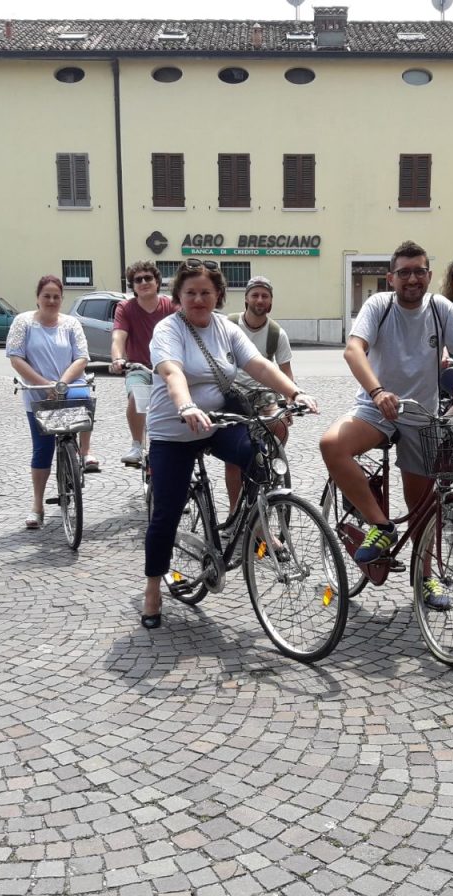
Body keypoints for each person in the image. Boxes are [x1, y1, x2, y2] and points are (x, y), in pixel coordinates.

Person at [319, 240, 453, 612]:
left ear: (430, 276)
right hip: (377, 407)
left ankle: (426, 575)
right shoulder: (378, 306)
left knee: (422, 506)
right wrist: (377, 390)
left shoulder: (440, 308)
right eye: (404, 272)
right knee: (331, 444)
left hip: (422, 415)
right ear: (391, 278)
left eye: (419, 271)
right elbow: (354, 350)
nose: (412, 278)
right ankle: (381, 526)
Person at [141, 259, 318, 629]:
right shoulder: (168, 329)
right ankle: (153, 588)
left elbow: (258, 366)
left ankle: (252, 527)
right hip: (174, 429)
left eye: (206, 292)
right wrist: (185, 404)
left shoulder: (225, 328)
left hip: (216, 422)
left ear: (219, 295)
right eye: (190, 293)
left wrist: (294, 392)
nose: (198, 299)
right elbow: (172, 371)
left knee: (258, 455)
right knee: (167, 513)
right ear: (178, 296)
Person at [6, 275, 92, 528]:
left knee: (86, 405)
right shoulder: (23, 322)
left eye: (56, 296)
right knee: (42, 450)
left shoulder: (71, 324)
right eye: (47, 296)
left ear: (62, 299)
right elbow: (16, 358)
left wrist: (61, 383)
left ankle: (84, 455)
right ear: (38, 298)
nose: (52, 300)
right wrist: (45, 385)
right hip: (37, 393)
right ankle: (37, 505)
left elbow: (82, 358)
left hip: (69, 389)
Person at [223, 275, 295, 507]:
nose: (260, 300)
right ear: (246, 298)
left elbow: (285, 370)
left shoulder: (276, 333)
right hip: (233, 391)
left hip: (263, 392)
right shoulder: (229, 325)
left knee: (280, 424)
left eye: (265, 296)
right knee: (232, 458)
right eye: (255, 295)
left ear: (271, 301)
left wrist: (290, 399)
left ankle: (268, 467)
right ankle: (235, 511)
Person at [110, 260, 174, 467]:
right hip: (140, 366)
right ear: (132, 285)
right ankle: (137, 445)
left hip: (168, 366)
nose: (144, 282)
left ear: (157, 282)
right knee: (137, 396)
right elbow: (118, 337)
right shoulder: (125, 308)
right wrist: (118, 359)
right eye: (138, 280)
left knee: (178, 402)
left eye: (148, 278)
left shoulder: (171, 305)